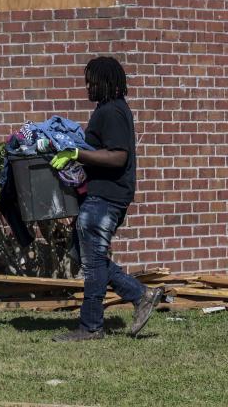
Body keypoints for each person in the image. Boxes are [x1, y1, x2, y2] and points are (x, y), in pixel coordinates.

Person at [52, 56, 163, 341]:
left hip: (106, 197)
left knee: (92, 262)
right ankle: (140, 295)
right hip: (102, 195)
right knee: (84, 253)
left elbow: (118, 157)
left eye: (91, 80)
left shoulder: (112, 112)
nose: (87, 85)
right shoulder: (108, 109)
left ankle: (91, 326)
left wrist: (77, 154)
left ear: (104, 82)